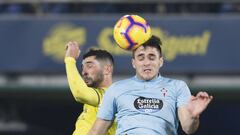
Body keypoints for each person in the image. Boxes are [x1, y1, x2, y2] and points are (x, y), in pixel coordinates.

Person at [87, 35, 213, 135]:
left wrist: (194, 116)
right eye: (141, 58)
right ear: (133, 63)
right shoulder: (116, 89)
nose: (146, 62)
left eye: (152, 57)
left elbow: (188, 128)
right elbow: (96, 131)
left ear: (161, 61)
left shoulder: (178, 87)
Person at [64, 41, 116, 135]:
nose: (83, 72)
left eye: (89, 66)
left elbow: (80, 93)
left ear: (107, 69)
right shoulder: (94, 101)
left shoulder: (111, 96)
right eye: (82, 67)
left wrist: (70, 60)